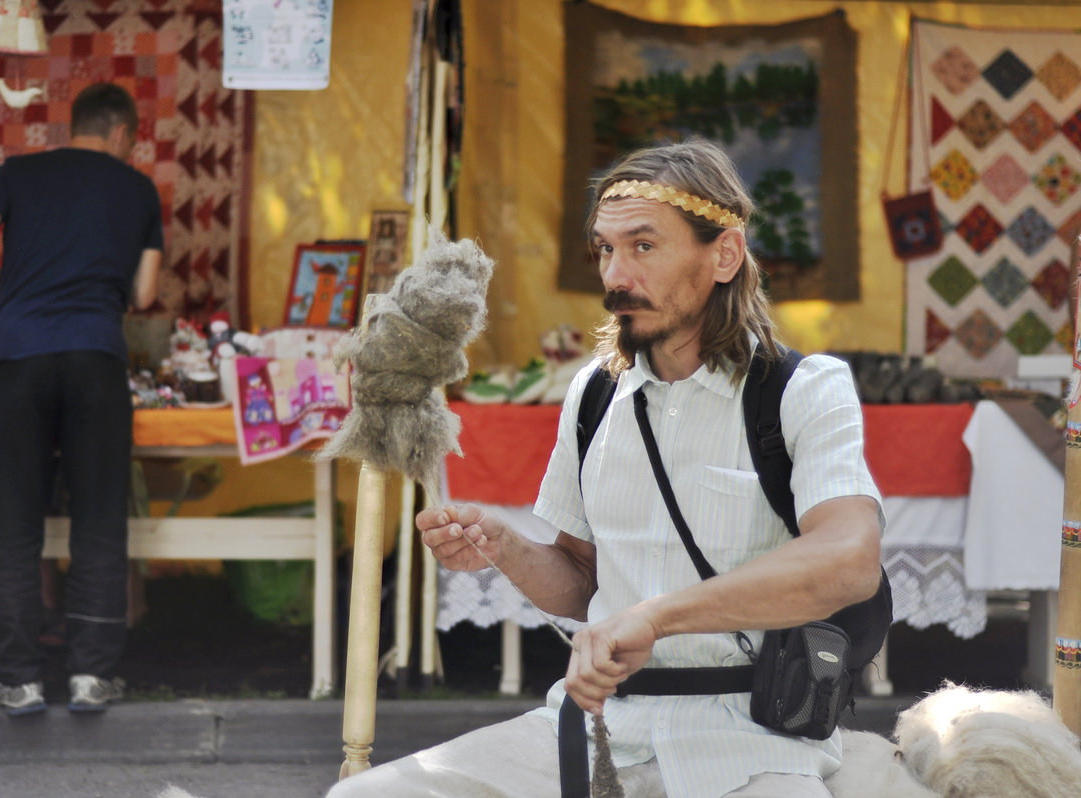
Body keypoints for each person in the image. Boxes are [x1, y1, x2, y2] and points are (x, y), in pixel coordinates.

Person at [328, 139, 884, 798]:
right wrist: (505, 548)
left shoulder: (805, 390)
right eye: (605, 250)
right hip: (590, 728)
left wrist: (655, 618)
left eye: (643, 247)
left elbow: (849, 559)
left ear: (725, 255)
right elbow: (582, 580)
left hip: (754, 737)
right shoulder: (595, 396)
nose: (616, 275)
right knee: (366, 796)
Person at [0, 82, 163, 715]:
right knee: (98, 518)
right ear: (123, 133)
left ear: (74, 124)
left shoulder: (18, 171)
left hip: (17, 357)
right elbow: (148, 294)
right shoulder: (136, 188)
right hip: (96, 356)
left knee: (15, 523)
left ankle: (16, 679)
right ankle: (90, 677)